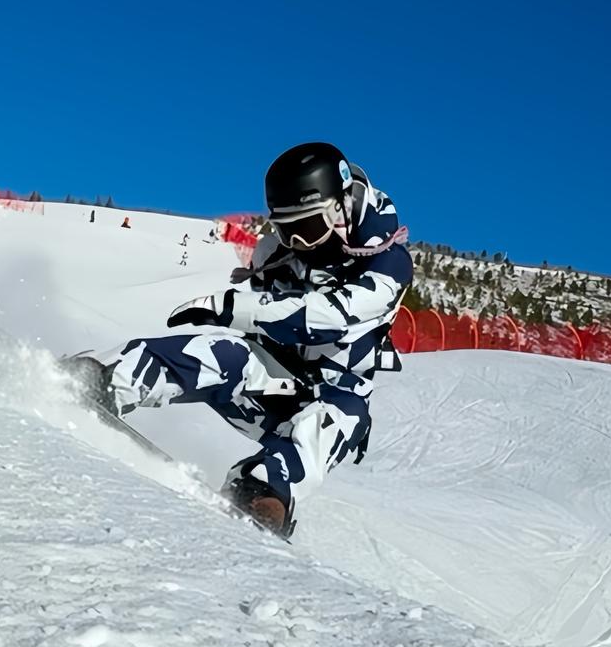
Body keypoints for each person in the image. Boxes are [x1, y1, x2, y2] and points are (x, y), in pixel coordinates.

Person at [63, 142, 411, 538]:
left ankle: (263, 492)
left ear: (340, 208)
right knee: (222, 353)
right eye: (286, 230)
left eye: (308, 229)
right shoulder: (277, 254)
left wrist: (234, 306)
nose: (296, 243)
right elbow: (249, 337)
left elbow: (335, 316)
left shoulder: (386, 263)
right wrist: (232, 326)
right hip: (277, 382)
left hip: (335, 392)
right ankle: (108, 379)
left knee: (336, 421)